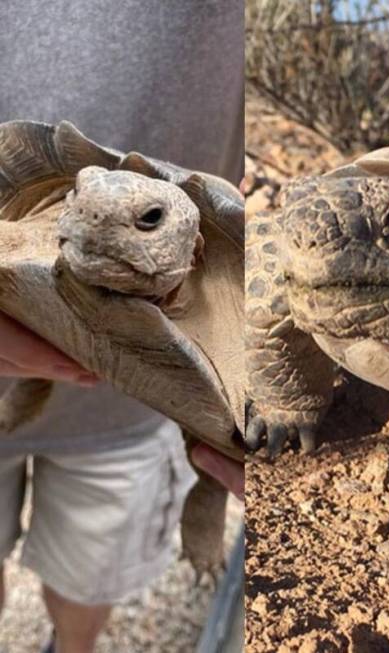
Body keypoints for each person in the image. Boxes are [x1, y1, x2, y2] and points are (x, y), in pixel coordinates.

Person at [0, 2, 244, 652]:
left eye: (146, 222)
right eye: (81, 202)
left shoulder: (231, 296)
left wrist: (210, 501)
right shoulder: (32, 223)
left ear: (193, 244)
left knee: (87, 577)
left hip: (124, 421)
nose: (91, 217)